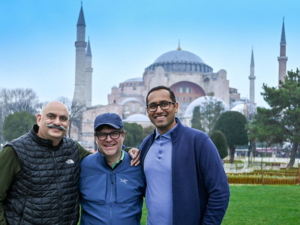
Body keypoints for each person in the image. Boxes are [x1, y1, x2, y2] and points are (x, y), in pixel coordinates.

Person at [0, 101, 140, 225]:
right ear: (39, 119)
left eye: (63, 118)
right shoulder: (14, 151)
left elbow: (106, 153)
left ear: (68, 122)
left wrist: (126, 151)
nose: (57, 122)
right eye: (51, 116)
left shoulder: (73, 148)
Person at [140, 86, 230, 225]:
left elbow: (220, 191)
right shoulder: (146, 144)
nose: (158, 110)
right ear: (147, 111)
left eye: (164, 104)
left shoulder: (198, 141)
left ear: (176, 107)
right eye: (153, 106)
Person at [79, 113, 145, 225]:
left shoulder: (138, 165)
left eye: (114, 134)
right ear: (95, 138)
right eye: (102, 135)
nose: (108, 139)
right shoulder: (83, 165)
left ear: (123, 135)